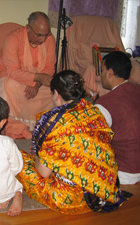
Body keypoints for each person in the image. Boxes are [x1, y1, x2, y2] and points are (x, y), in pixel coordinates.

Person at [17, 70, 131, 215]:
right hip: (104, 192)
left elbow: (43, 173)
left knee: (18, 159)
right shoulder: (95, 112)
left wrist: (37, 157)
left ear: (56, 94)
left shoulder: (52, 121)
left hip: (70, 199)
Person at [96, 51, 140, 185]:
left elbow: (95, 139)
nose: (100, 75)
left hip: (127, 170)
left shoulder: (105, 102)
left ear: (110, 72)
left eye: (102, 70)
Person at [0, 11, 56, 139]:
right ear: (28, 28)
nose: (43, 39)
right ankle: (20, 129)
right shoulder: (13, 39)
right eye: (39, 35)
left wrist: (36, 85)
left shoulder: (50, 39)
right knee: (7, 87)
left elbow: (49, 69)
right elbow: (13, 71)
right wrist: (36, 78)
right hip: (15, 80)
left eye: (46, 34)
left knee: (54, 92)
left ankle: (40, 127)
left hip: (38, 84)